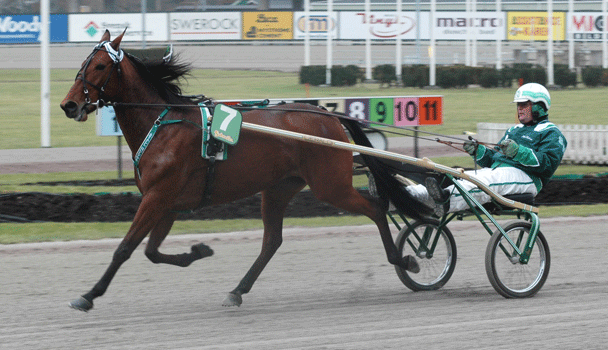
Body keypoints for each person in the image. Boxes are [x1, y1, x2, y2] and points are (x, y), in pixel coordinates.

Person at [407, 82, 568, 216]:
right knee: (461, 177)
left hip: (527, 178)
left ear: (539, 106)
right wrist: (478, 151)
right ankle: (411, 194)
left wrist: (518, 152)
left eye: (524, 104)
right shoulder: (514, 130)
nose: (519, 108)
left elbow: (546, 164)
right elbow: (493, 160)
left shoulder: (552, 133)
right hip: (498, 172)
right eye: (518, 104)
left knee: (484, 182)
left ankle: (447, 201)